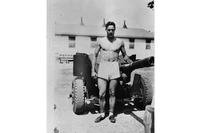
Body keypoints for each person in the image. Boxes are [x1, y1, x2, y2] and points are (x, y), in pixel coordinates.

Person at [93, 21, 133, 123]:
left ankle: (111, 114)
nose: (111, 31)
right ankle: (102, 114)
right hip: (103, 66)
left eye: (112, 29)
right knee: (101, 94)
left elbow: (124, 55)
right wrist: (93, 70)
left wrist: (131, 63)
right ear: (106, 30)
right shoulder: (100, 41)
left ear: (115, 30)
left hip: (114, 67)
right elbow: (95, 55)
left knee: (112, 92)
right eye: (109, 29)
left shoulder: (120, 42)